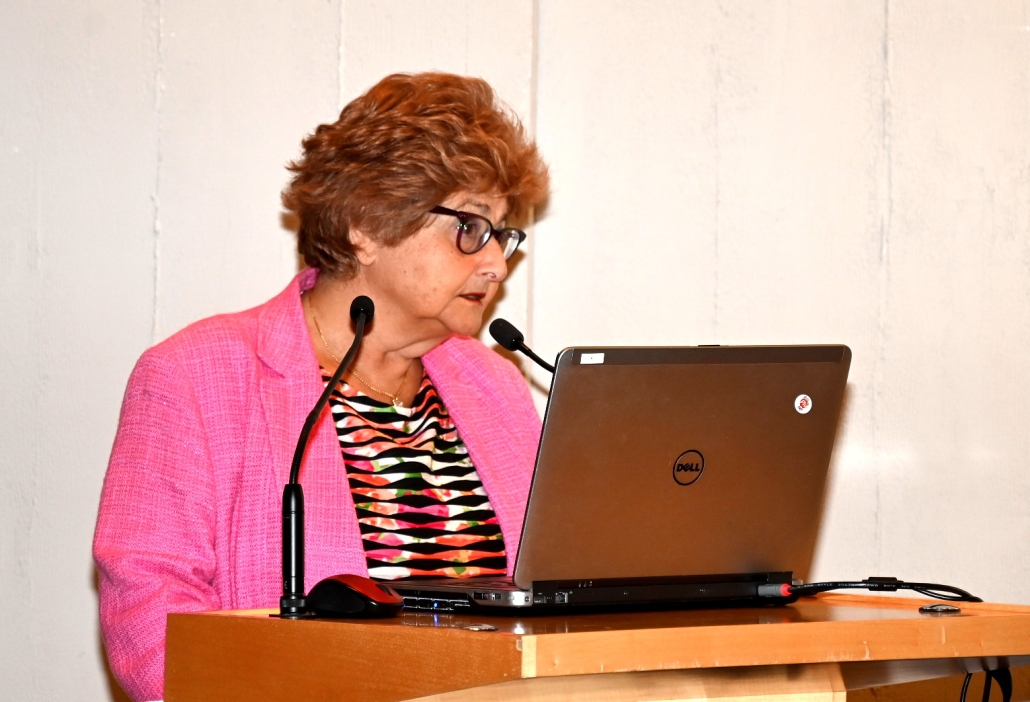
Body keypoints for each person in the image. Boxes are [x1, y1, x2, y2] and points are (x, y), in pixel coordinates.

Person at [93, 72, 549, 702]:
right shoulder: (195, 375)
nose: (496, 263)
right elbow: (153, 623)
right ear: (367, 224)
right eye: (469, 228)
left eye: (501, 234)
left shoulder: (494, 386)